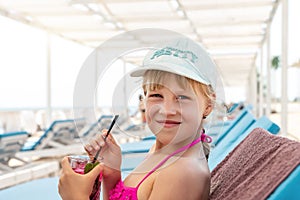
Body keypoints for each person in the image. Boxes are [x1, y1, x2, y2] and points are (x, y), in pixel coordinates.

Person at [59, 37, 219, 200]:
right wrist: (112, 173)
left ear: (208, 105)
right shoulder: (163, 151)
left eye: (182, 97)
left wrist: (75, 197)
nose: (167, 110)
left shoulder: (182, 173)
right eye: (156, 95)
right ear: (144, 100)